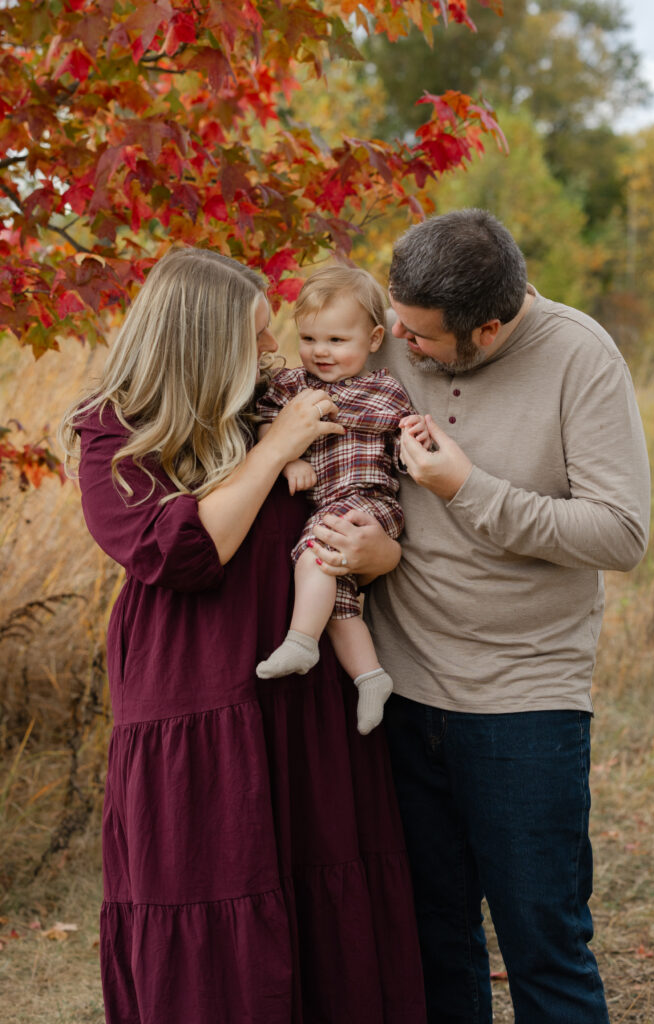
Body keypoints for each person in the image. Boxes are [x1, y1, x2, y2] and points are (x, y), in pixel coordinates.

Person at [59, 247, 428, 1024]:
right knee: (209, 876)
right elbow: (184, 554)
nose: (271, 348)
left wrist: (380, 553)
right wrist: (273, 450)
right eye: (254, 333)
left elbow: (361, 500)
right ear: (202, 339)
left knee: (319, 867)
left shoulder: (277, 399)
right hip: (193, 686)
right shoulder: (115, 432)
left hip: (300, 678)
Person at [307, 210, 650, 1023]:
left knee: (542, 944)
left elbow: (619, 533)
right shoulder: (393, 329)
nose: (397, 342)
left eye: (418, 336)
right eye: (395, 321)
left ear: (486, 329)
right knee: (432, 943)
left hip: (522, 701)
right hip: (397, 688)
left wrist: (466, 488)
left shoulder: (579, 358)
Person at [255, 266, 428, 735]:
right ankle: (371, 678)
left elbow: (405, 450)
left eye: (336, 340)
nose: (321, 351)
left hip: (369, 502)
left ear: (373, 339)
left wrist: (418, 441)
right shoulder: (292, 385)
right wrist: (288, 459)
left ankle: (300, 641)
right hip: (329, 505)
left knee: (314, 551)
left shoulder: (386, 389)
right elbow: (266, 424)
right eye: (309, 338)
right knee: (338, 600)